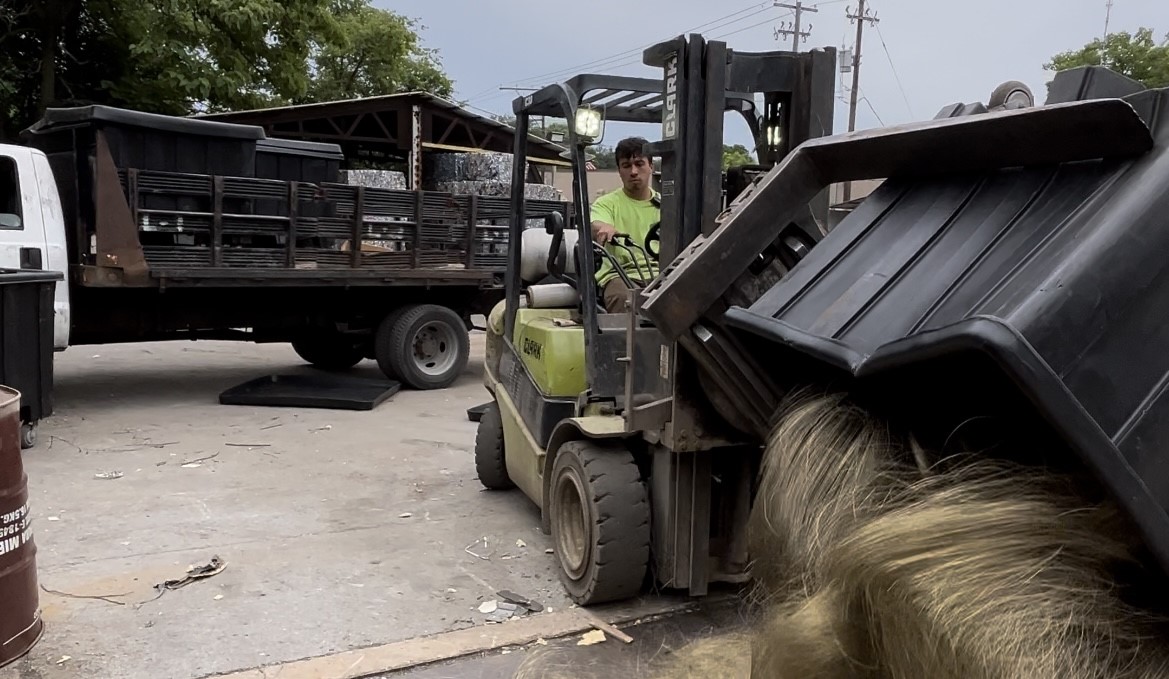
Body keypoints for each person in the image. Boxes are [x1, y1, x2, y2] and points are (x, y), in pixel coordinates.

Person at [590, 137, 661, 313]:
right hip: (622, 274)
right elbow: (597, 223)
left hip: (661, 275)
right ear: (619, 171)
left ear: (651, 167)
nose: (634, 171)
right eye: (627, 166)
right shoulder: (606, 203)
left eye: (639, 164)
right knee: (625, 299)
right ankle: (627, 341)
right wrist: (605, 228)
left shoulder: (667, 205)